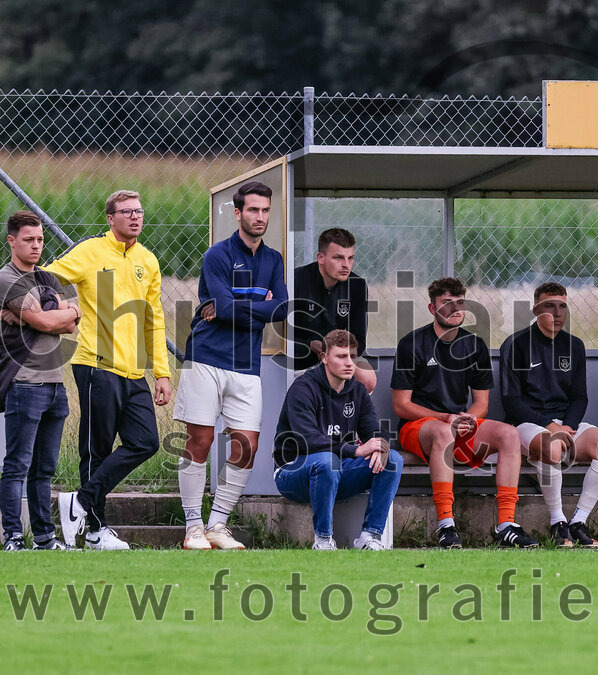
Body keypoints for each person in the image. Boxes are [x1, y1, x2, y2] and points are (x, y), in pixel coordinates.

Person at [46, 190, 172, 550]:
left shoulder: (147, 260)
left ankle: (80, 501)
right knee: (96, 449)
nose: (135, 217)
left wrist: (161, 373)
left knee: (146, 441)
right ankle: (96, 532)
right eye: (127, 211)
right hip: (95, 365)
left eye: (139, 211)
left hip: (134, 373)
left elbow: (155, 320)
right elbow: (47, 278)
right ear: (110, 218)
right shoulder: (90, 252)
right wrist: (55, 306)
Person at [174, 181, 288, 550]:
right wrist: (259, 306)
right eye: (253, 210)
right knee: (201, 441)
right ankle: (193, 527)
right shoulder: (217, 255)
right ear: (237, 213)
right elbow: (225, 308)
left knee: (247, 445)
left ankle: (218, 525)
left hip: (246, 364)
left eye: (265, 210)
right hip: (206, 357)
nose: (260, 217)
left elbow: (283, 309)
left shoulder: (273, 260)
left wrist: (236, 307)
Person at [392, 277, 537, 548]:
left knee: (509, 433)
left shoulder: (475, 345)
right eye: (447, 303)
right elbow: (402, 405)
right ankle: (446, 525)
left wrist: (469, 419)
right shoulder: (412, 344)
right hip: (420, 427)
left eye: (460, 302)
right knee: (443, 431)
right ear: (432, 308)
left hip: (458, 424)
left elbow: (481, 403)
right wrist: (445, 418)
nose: (455, 309)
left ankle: (506, 524)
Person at [499, 282, 598, 547]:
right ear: (535, 309)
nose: (557, 312)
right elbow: (511, 401)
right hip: (527, 424)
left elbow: (579, 397)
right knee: (553, 448)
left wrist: (569, 426)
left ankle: (578, 521)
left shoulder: (574, 346)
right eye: (549, 306)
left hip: (565, 424)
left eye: (562, 306)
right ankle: (557, 522)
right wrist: (550, 426)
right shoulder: (516, 344)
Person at [275, 329, 401, 550]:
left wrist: (381, 445)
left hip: (336, 471)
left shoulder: (357, 391)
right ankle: (323, 540)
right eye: (341, 356)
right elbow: (308, 440)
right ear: (323, 357)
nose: (349, 363)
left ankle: (369, 538)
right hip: (294, 472)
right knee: (326, 461)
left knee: (393, 460)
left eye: (352, 356)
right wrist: (355, 451)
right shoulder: (303, 388)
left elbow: (375, 430)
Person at [0, 212, 80, 551]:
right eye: (29, 239)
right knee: (17, 464)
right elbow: (47, 324)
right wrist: (50, 315)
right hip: (23, 381)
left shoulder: (48, 277)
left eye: (40, 240)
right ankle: (13, 536)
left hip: (54, 383)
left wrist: (54, 313)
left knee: (44, 468)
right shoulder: (5, 279)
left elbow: (72, 320)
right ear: (12, 241)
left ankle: (45, 538)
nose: (36, 245)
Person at [293, 227, 376, 392]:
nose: (346, 265)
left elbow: (359, 338)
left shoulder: (357, 285)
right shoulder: (296, 280)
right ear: (321, 258)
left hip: (337, 358)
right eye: (338, 258)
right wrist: (309, 345)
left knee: (366, 377)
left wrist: (337, 354)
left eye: (350, 258)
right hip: (299, 359)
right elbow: (280, 336)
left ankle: (348, 416)